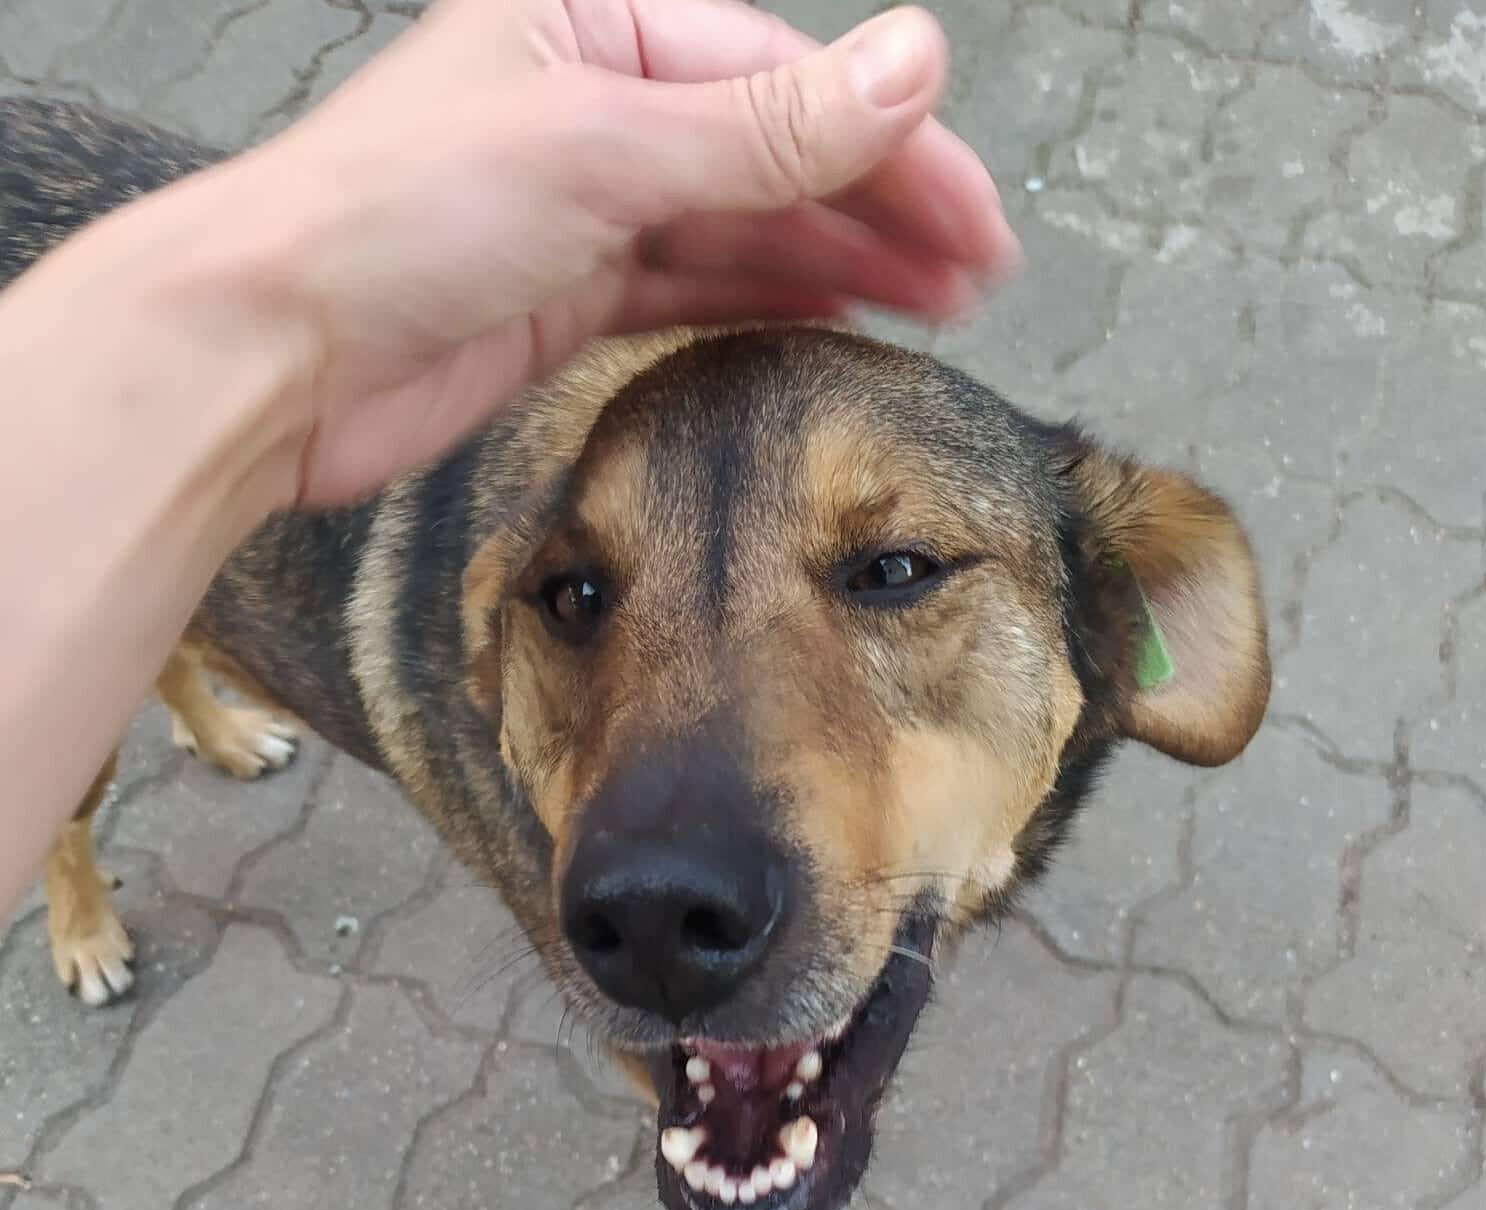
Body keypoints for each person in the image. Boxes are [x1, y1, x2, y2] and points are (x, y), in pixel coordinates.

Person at [0, 0, 1016, 915]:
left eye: (892, 572)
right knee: (79, 762)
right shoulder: (510, 628)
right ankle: (71, 884)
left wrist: (288, 322)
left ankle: (183, 696)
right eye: (576, 598)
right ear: (495, 650)